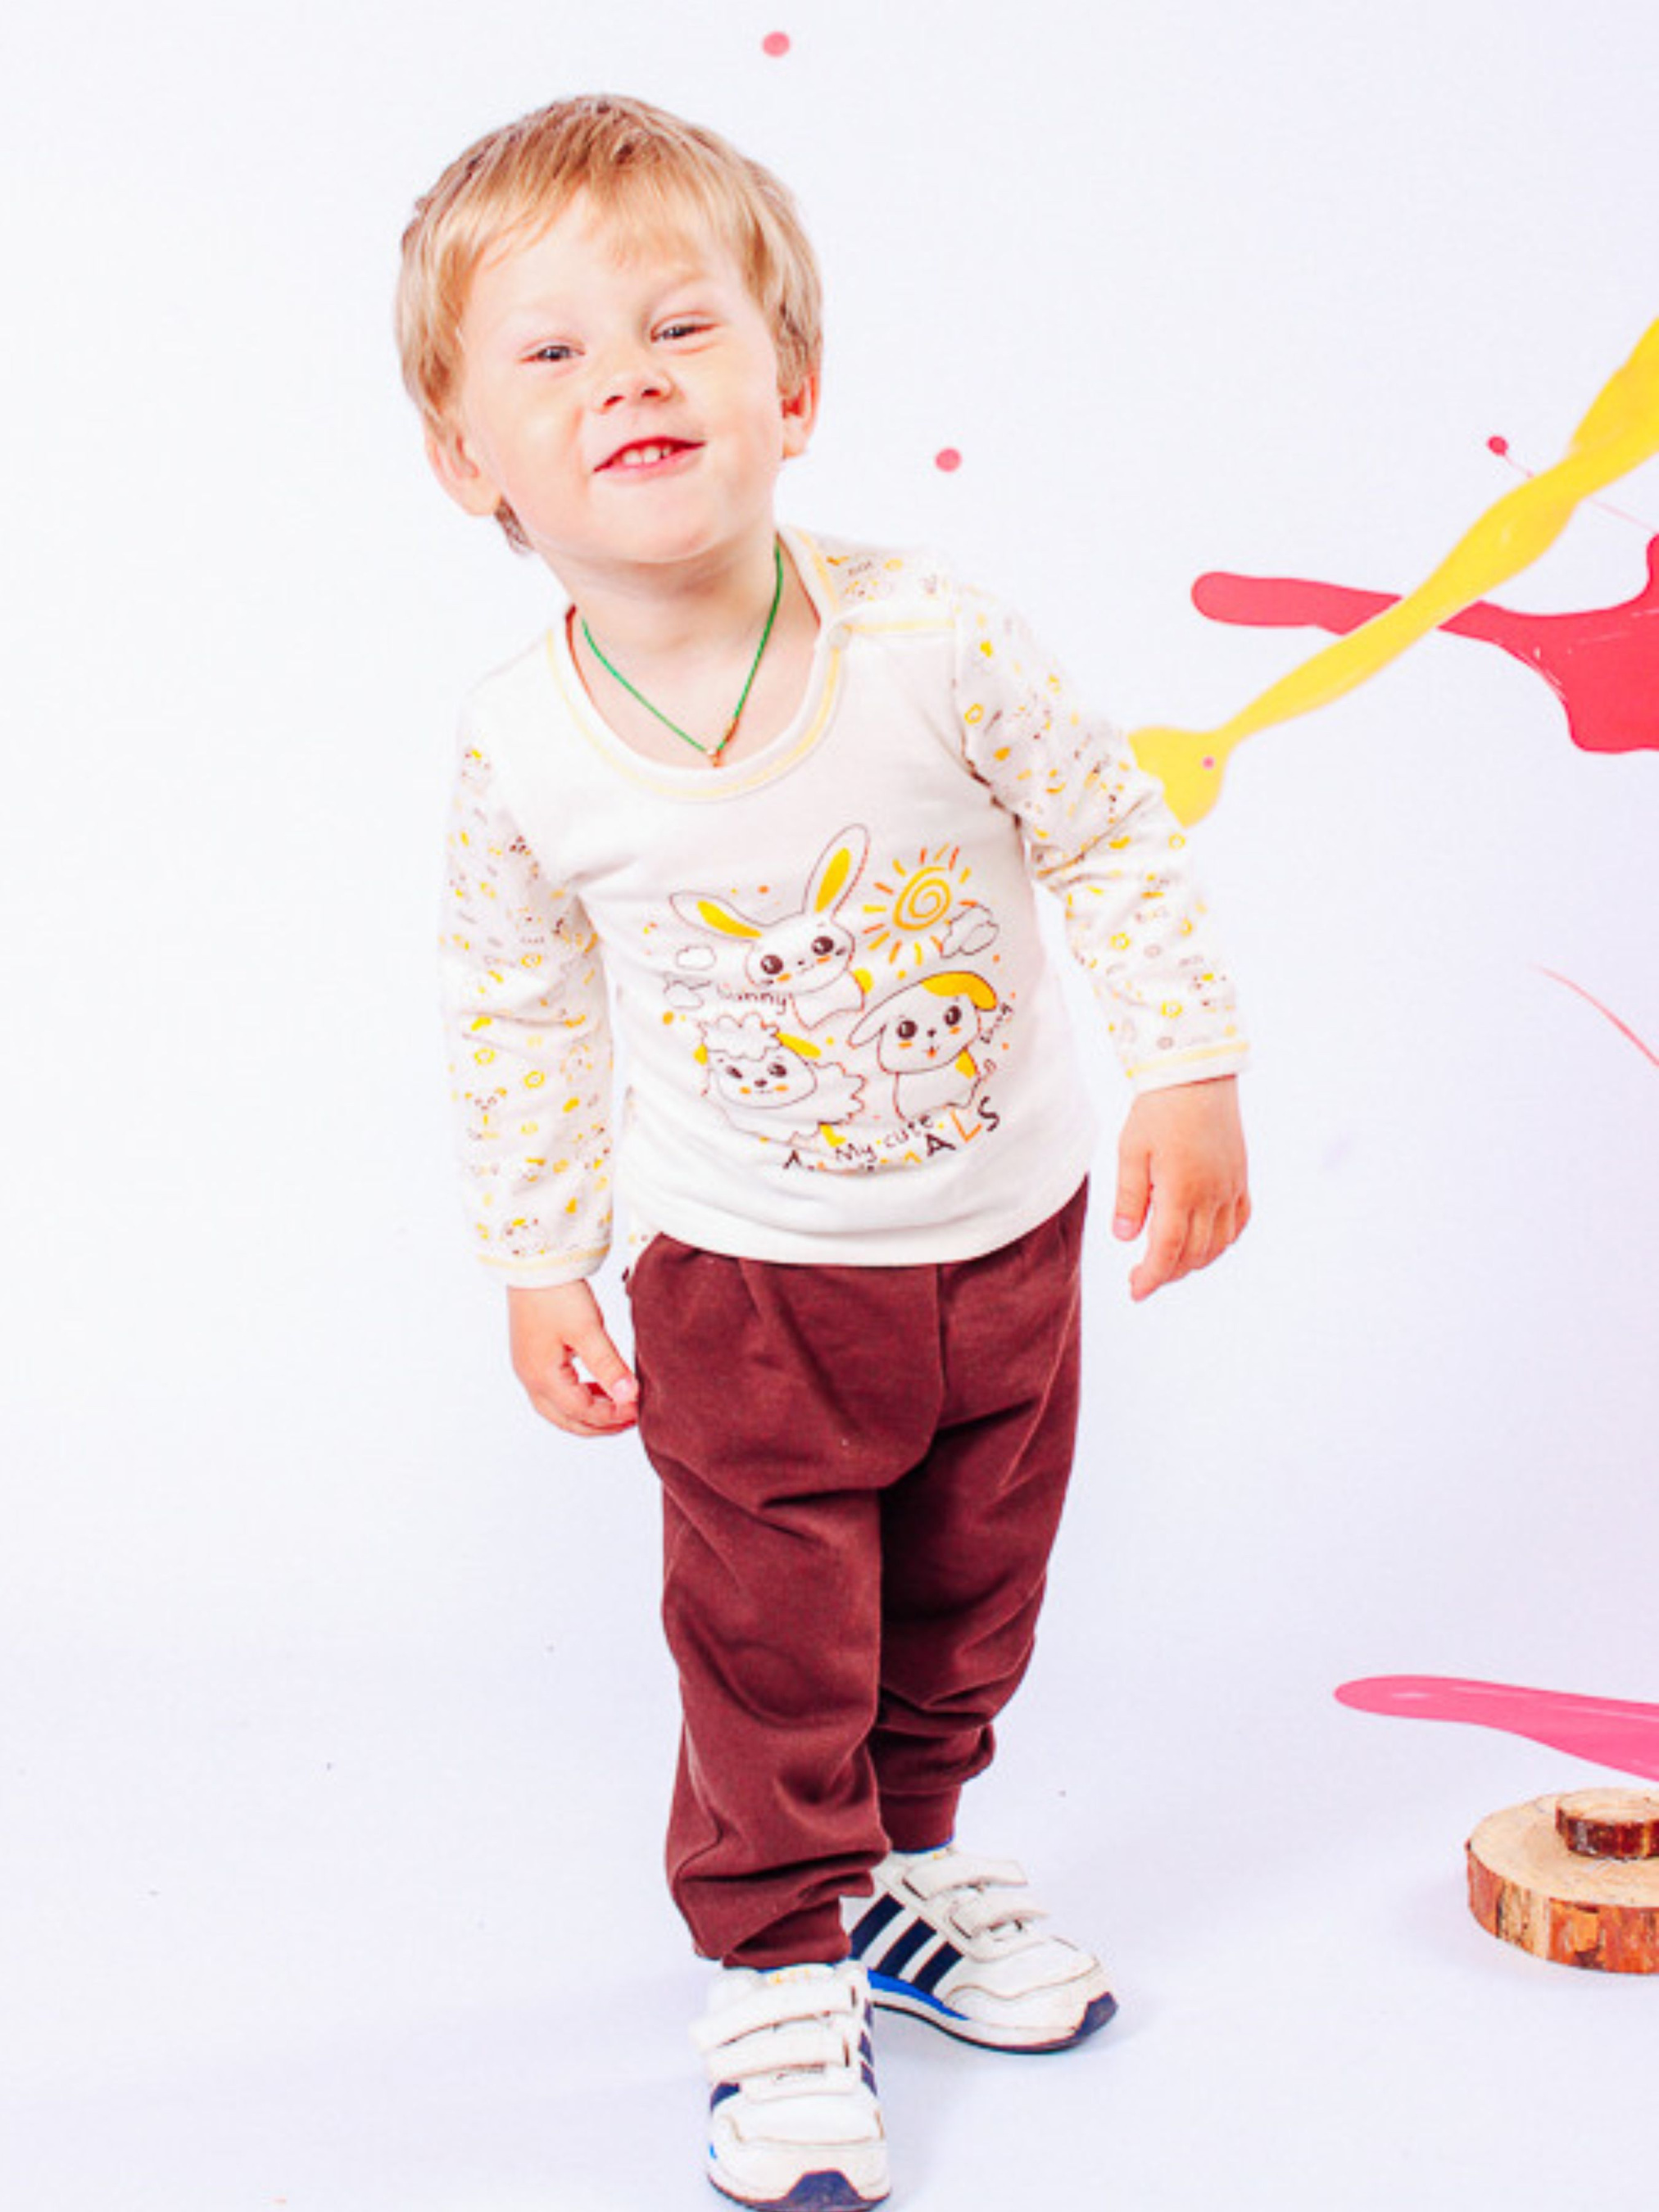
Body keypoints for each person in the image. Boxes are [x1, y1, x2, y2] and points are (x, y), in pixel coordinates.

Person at [398, 92, 1250, 2212]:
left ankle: (902, 1877)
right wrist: (537, 1255)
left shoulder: (929, 638)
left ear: (789, 390)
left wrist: (1187, 1066)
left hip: (1006, 1244)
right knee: (773, 1640)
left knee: (967, 1605)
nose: (629, 379)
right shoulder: (520, 748)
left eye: (680, 326)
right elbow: (518, 1006)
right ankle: (777, 1953)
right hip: (747, 1282)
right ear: (465, 459)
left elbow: (1107, 830)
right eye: (553, 352)